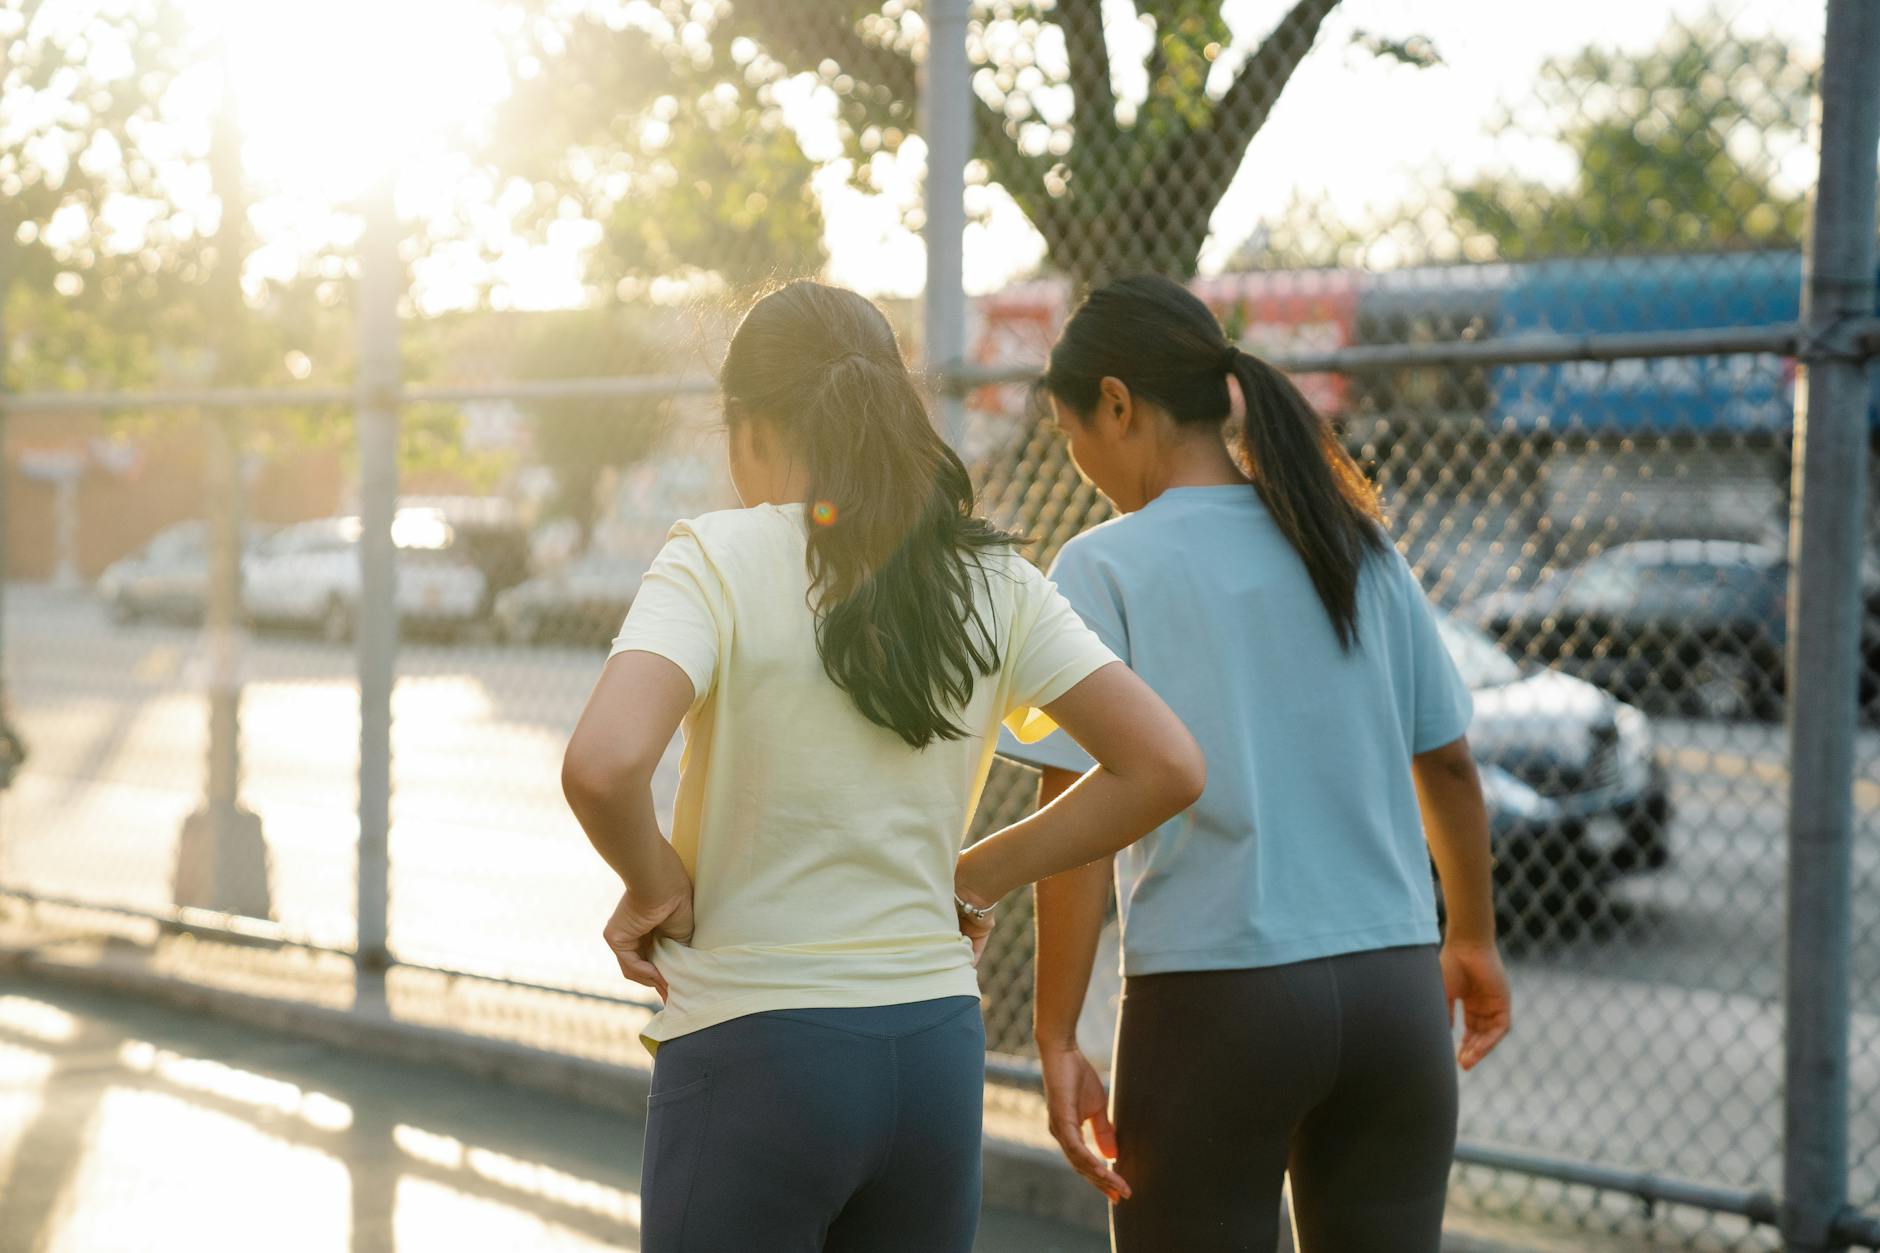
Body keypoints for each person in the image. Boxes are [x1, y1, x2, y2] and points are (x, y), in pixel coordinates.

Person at [560, 281, 1206, 1253]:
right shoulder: (988, 573)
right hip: (932, 1049)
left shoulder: (716, 556)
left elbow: (604, 765)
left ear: (748, 427)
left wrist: (656, 885)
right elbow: (1162, 764)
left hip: (754, 1047)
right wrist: (977, 872)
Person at [998, 275, 1513, 1253]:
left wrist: (1056, 1032)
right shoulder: (1353, 542)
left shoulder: (1100, 566)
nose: (1080, 463)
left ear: (1114, 402)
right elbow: (1445, 766)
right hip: (1393, 996)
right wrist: (1473, 939)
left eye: (1073, 433)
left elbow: (1068, 807)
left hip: (1213, 1004)